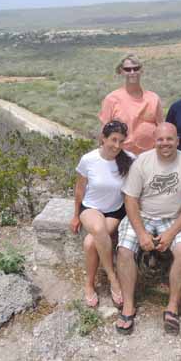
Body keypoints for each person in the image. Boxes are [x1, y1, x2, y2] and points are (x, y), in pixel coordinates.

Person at [115, 123, 181, 335]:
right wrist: (141, 233)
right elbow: (130, 199)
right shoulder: (142, 162)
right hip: (142, 215)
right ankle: (128, 305)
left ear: (177, 141)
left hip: (173, 218)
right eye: (160, 139)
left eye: (169, 139)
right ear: (154, 141)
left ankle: (172, 306)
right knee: (125, 251)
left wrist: (172, 232)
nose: (165, 143)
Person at [70, 120, 134, 308]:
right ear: (103, 138)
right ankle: (113, 278)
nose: (117, 145)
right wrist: (75, 215)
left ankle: (89, 285)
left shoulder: (129, 158)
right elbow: (80, 190)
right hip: (90, 207)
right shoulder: (89, 159)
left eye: (121, 141)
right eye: (113, 140)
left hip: (115, 211)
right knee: (97, 228)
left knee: (90, 242)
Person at [99, 54, 164, 155]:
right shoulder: (111, 99)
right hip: (121, 156)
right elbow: (104, 133)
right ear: (121, 71)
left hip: (149, 157)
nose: (132, 72)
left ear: (141, 70)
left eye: (136, 68)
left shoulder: (153, 98)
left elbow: (161, 130)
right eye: (128, 69)